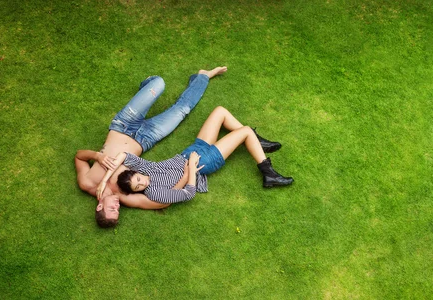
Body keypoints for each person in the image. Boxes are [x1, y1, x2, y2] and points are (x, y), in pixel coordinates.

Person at [75, 66, 227, 227]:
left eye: (112, 209)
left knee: (159, 83)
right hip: (147, 138)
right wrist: (185, 177)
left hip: (123, 125)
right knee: (182, 110)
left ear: (100, 206)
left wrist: (97, 156)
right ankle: (203, 76)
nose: (117, 207)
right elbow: (162, 203)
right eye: (117, 211)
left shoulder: (86, 183)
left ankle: (147, 86)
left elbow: (79, 156)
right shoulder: (125, 196)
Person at [96, 106, 293, 210]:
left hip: (191, 150)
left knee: (220, 111)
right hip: (203, 161)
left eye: (138, 179)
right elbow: (188, 193)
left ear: (137, 172)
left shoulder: (145, 168)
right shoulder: (154, 193)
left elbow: (123, 155)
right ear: (137, 192)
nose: (143, 183)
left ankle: (254, 143)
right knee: (245, 131)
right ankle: (269, 174)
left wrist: (105, 180)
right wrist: (190, 169)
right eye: (138, 187)